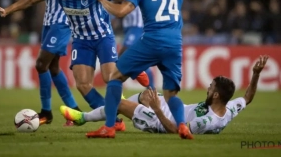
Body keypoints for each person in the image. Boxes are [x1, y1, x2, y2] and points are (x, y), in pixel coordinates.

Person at [0, 0, 149, 132]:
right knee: (82, 84)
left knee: (109, 79)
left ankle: (131, 68)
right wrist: (8, 10)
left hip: (103, 37)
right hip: (81, 41)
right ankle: (115, 118)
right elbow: (31, 0)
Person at [86, 0, 207, 139]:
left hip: (152, 40)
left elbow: (120, 12)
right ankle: (182, 126)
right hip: (175, 44)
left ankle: (109, 127)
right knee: (171, 94)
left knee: (114, 77)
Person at [60, 55, 269, 134]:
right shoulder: (230, 108)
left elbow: (176, 131)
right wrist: (256, 74)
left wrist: (158, 110)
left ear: (216, 95)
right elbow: (248, 98)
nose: (208, 88)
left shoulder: (206, 122)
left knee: (120, 105)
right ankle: (119, 115)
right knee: (146, 94)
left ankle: (82, 118)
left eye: (211, 87)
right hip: (171, 110)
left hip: (162, 121)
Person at [24, 0, 91, 126]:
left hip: (64, 21)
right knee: (53, 68)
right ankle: (75, 111)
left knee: (40, 64)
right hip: (48, 20)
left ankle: (46, 111)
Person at [113, 0, 154, 88]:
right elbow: (116, 2)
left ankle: (116, 93)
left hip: (140, 25)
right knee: (137, 60)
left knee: (122, 56)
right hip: (127, 27)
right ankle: (152, 90)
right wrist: (114, 18)